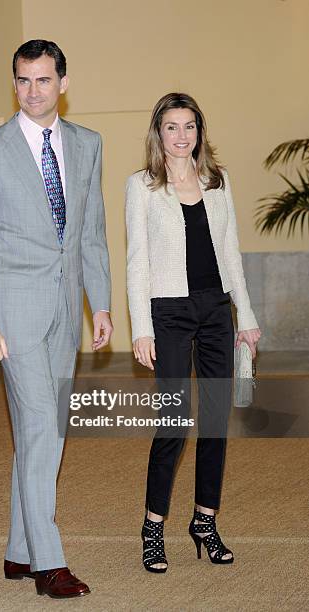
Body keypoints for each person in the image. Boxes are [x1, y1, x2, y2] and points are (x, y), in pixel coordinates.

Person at [0, 39, 113, 599]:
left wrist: (102, 303)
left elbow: (90, 231)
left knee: (39, 433)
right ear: (14, 82)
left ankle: (17, 552)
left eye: (43, 80)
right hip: (12, 311)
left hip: (66, 309)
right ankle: (49, 562)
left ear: (62, 83)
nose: (33, 91)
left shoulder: (87, 144)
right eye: (23, 80)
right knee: (43, 424)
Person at [125, 92, 261, 572]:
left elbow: (232, 253)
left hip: (215, 310)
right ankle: (153, 527)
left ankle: (205, 521)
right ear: (157, 133)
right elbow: (136, 261)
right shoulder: (141, 186)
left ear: (199, 132)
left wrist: (245, 317)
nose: (181, 136)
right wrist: (141, 328)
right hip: (169, 312)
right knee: (173, 423)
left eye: (189, 126)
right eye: (171, 127)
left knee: (216, 420)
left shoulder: (219, 181)